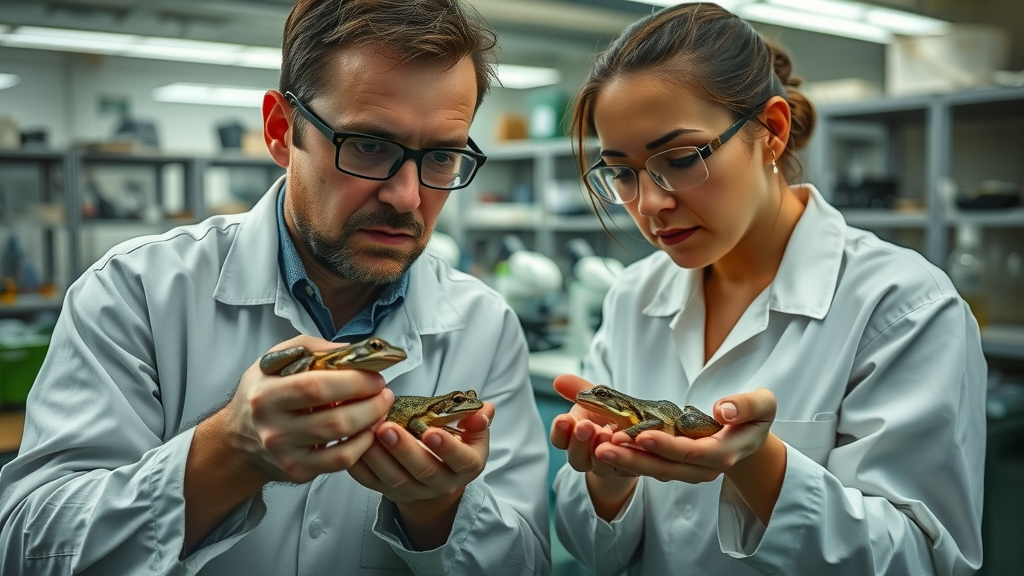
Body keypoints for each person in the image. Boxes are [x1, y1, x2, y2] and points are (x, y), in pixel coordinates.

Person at [0, 1, 551, 574]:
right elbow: (29, 548)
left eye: (441, 157)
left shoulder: (486, 324)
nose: (407, 197)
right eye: (368, 146)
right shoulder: (133, 291)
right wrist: (224, 456)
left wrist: (439, 509)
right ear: (281, 131)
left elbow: (528, 562)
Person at [549, 3, 986, 576]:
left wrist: (762, 468)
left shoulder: (902, 306)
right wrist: (607, 482)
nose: (650, 204)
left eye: (680, 159)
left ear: (772, 131)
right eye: (622, 173)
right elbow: (597, 553)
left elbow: (925, 560)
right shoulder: (633, 297)